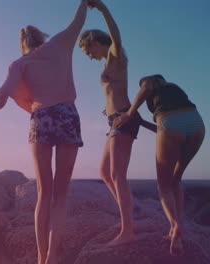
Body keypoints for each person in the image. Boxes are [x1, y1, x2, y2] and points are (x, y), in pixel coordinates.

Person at [0, 1, 88, 263]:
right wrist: (85, 2)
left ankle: (40, 257)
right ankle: (51, 256)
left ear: (23, 44)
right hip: (67, 116)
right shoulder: (60, 43)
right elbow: (79, 20)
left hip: (42, 119)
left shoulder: (20, 63)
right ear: (41, 37)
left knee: (43, 193)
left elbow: (1, 95)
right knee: (61, 195)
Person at [78, 0, 151, 246]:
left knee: (117, 175)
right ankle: (129, 216)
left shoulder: (115, 54)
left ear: (95, 42)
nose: (89, 57)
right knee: (104, 172)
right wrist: (107, 108)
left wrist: (101, 7)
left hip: (124, 118)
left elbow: (115, 34)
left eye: (88, 52)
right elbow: (113, 90)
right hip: (114, 120)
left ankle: (127, 230)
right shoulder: (109, 63)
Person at [113, 74, 205, 255]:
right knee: (176, 179)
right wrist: (140, 121)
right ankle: (177, 232)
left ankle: (174, 224)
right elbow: (163, 129)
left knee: (163, 185)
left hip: (170, 123)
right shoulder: (175, 89)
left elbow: (167, 124)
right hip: (197, 124)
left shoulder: (150, 83)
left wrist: (129, 114)